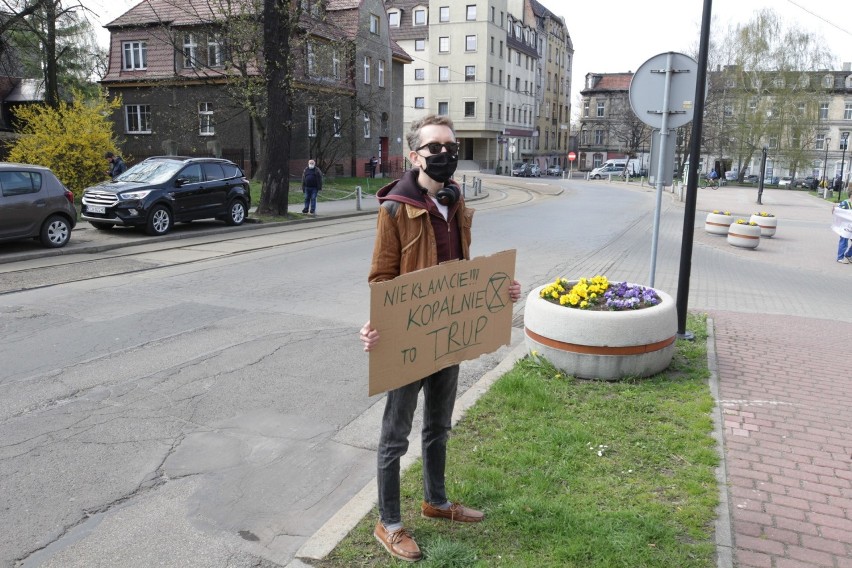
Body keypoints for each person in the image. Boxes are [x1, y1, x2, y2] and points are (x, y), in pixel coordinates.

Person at [359, 115, 521, 562]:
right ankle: (388, 522)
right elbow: (381, 277)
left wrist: (499, 291)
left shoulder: (457, 203)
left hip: (450, 336)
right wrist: (377, 324)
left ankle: (436, 501)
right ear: (415, 156)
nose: (445, 154)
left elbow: (465, 270)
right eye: (434, 147)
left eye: (450, 146)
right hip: (410, 339)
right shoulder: (394, 208)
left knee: (438, 427)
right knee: (395, 434)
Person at [833, 195, 852, 264]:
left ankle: (848, 255)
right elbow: (838, 211)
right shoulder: (845, 203)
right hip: (846, 226)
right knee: (844, 241)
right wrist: (834, 208)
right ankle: (840, 258)